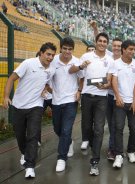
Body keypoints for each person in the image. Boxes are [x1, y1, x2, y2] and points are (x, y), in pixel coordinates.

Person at [3, 42, 57, 178]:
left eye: (52, 55)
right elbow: (11, 79)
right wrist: (5, 97)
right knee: (20, 134)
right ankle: (24, 152)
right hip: (19, 105)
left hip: (36, 106)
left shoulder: (51, 70)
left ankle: (30, 166)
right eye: (48, 54)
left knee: (33, 135)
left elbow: (46, 82)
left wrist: (47, 90)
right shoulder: (28, 63)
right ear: (41, 53)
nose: (50, 57)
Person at [69, 32, 114, 176]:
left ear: (107, 44)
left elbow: (108, 80)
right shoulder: (86, 57)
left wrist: (105, 86)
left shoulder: (110, 59)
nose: (102, 43)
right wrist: (81, 66)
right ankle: (91, 143)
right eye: (99, 41)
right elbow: (72, 71)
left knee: (99, 129)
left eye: (104, 41)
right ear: (95, 42)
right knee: (87, 127)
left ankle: (94, 162)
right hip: (87, 97)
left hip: (101, 98)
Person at [47, 37, 83, 172]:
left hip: (71, 101)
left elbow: (82, 78)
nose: (67, 51)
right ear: (60, 48)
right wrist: (48, 88)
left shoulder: (77, 62)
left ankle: (61, 158)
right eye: (65, 48)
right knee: (58, 129)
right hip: (56, 100)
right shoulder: (54, 60)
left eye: (70, 49)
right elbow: (47, 75)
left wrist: (79, 91)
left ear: (72, 50)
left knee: (66, 129)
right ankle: (68, 142)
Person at [111, 40, 135, 168]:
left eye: (134, 49)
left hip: (132, 102)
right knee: (118, 128)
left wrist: (134, 102)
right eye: (130, 49)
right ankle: (118, 155)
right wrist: (117, 97)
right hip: (120, 102)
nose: (132, 52)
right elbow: (114, 80)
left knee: (134, 129)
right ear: (123, 49)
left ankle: (131, 151)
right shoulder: (116, 63)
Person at [106, 37, 123, 161]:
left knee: (116, 125)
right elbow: (98, 39)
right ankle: (113, 149)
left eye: (119, 46)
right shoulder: (108, 57)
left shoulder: (126, 60)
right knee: (112, 124)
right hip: (108, 97)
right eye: (115, 45)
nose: (116, 48)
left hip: (120, 98)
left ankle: (115, 149)